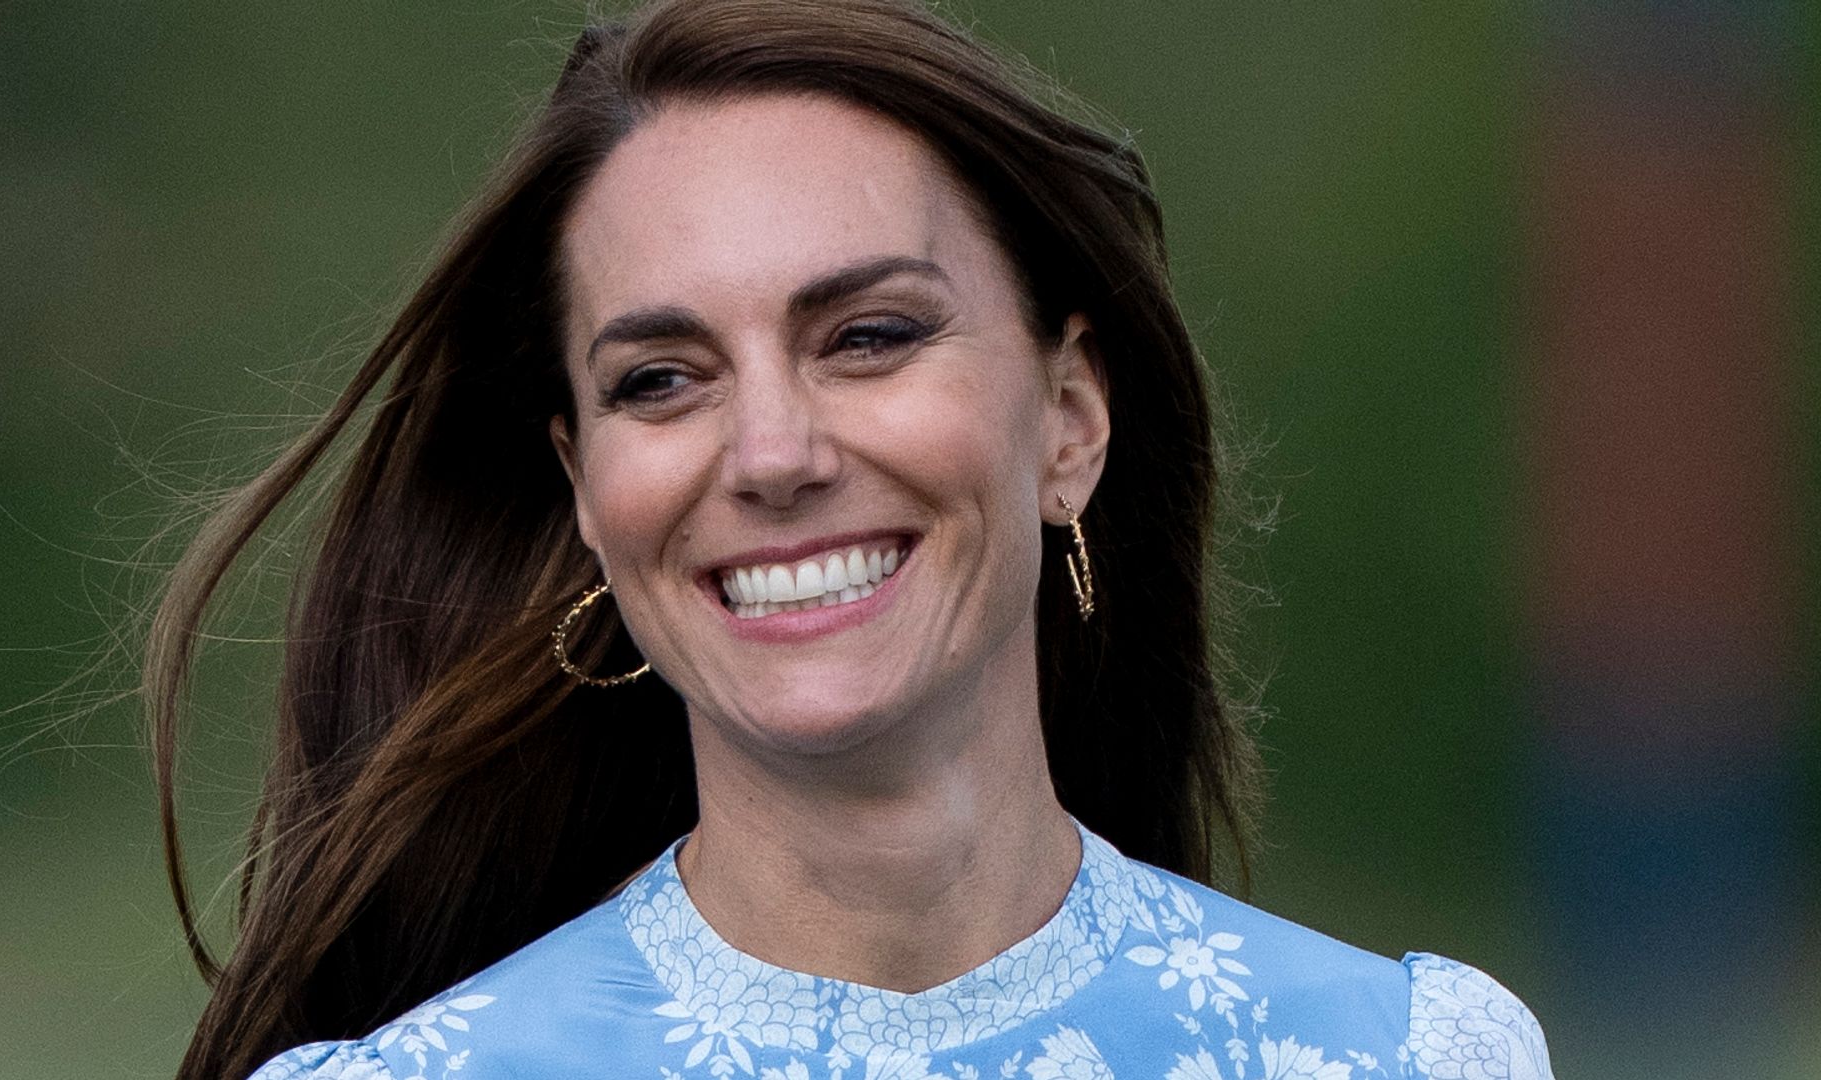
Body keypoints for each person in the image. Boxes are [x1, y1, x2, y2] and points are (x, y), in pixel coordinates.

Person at [149, 1, 1556, 1078]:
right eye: (661, 379)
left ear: (1069, 419)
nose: (773, 455)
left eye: (870, 337)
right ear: (588, 490)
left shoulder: (1416, 1057)